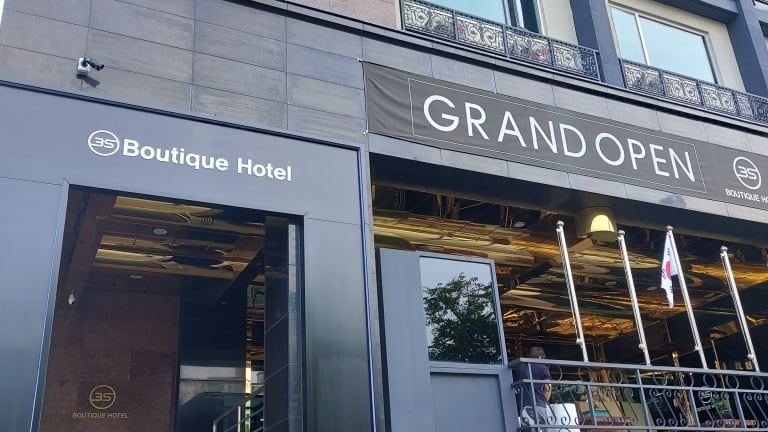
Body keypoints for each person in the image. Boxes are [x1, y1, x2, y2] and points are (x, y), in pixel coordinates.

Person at [517, 346, 553, 430]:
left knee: (527, 429)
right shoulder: (542, 368)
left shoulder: (519, 368)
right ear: (540, 357)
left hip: (523, 405)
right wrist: (545, 401)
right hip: (539, 404)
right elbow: (547, 387)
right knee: (541, 428)